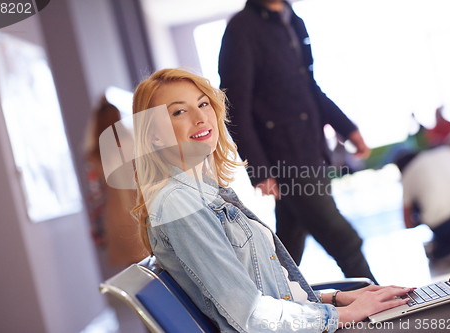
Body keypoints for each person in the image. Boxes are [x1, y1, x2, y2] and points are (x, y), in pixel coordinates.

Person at [130, 68, 411, 332]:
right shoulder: (180, 203)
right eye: (179, 111)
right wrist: (343, 315)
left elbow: (264, 291)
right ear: (154, 136)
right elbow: (250, 315)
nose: (200, 117)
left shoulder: (207, 191)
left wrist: (335, 299)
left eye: (203, 104)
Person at [218, 0, 376, 282]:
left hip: (312, 151)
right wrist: (259, 170)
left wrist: (348, 129)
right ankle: (384, 307)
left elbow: (309, 87)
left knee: (288, 248)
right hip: (284, 160)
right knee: (345, 240)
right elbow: (233, 106)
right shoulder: (241, 28)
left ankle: (266, 307)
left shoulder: (294, 20)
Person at [84, 97, 147, 267]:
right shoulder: (136, 144)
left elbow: (95, 197)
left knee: (135, 281)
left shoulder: (94, 156)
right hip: (142, 212)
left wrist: (97, 233)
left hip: (116, 219)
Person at [395, 138, 450, 260]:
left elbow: (407, 223)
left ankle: (446, 251)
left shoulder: (407, 176)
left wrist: (421, 218)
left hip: (443, 226)